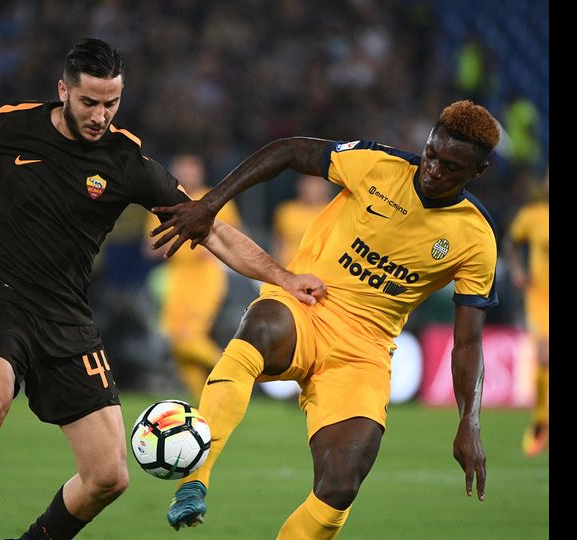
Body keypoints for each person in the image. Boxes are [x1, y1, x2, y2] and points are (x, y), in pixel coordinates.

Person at [0, 38, 324, 540]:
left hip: (68, 317)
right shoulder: (13, 127)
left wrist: (283, 277)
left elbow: (209, 226)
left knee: (109, 478)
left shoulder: (126, 161)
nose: (101, 115)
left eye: (112, 103)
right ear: (64, 90)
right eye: (90, 101)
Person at [151, 100, 500, 538]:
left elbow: (467, 342)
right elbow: (287, 150)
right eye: (431, 154)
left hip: (364, 353)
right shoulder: (375, 165)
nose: (432, 170)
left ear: (478, 172)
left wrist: (469, 422)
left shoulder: (475, 238)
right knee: (258, 331)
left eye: (450, 167)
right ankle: (193, 481)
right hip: (306, 303)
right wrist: (211, 203)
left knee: (341, 484)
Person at [146, 153, 242, 398]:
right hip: (176, 277)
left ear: (201, 171)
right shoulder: (162, 204)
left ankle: (238, 372)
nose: (187, 174)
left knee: (191, 337)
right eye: (182, 169)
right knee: (177, 343)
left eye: (192, 168)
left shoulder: (217, 200)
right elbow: (149, 247)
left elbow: (233, 239)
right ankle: (204, 404)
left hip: (205, 276)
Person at [503, 171, 549, 457]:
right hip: (541, 298)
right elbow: (510, 242)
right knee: (544, 356)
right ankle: (540, 422)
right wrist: (518, 271)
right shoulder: (533, 215)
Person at [273, 173, 339, 266]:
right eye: (308, 184)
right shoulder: (286, 211)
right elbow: (278, 243)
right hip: (289, 269)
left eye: (317, 184)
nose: (312, 189)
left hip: (319, 272)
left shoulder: (334, 211)